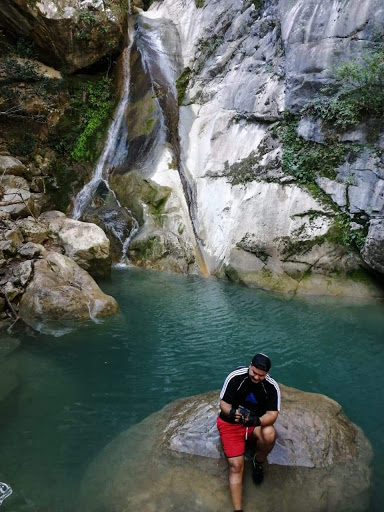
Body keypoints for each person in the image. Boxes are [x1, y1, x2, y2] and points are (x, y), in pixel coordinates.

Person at [217, 353, 281, 512]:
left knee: (269, 433)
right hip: (231, 423)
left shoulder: (271, 386)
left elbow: (272, 415)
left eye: (261, 375)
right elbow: (223, 404)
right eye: (254, 372)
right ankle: (238, 510)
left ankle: (258, 461)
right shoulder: (235, 377)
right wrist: (231, 412)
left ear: (267, 374)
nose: (257, 377)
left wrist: (257, 421)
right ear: (250, 365)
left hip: (254, 423)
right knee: (235, 466)